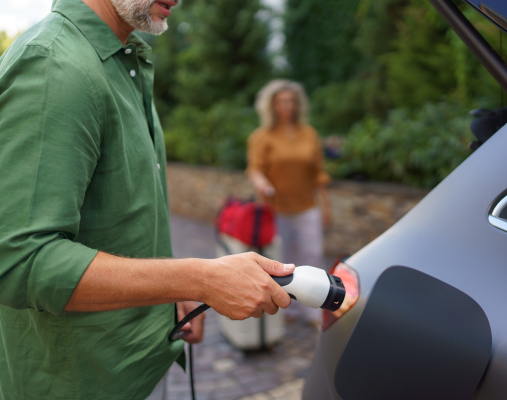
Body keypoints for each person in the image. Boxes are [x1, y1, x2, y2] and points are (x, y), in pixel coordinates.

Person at [0, 0, 294, 399]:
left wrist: (168, 289)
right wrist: (199, 278)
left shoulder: (123, 59)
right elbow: (20, 260)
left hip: (136, 366)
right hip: (80, 381)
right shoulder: (55, 64)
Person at [246, 80, 332, 322]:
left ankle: (314, 310)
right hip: (276, 209)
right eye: (282, 101)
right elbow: (254, 169)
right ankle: (289, 307)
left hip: (307, 207)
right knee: (283, 262)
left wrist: (326, 206)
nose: (287, 106)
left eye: (291, 101)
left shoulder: (309, 134)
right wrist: (262, 182)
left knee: (313, 255)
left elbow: (319, 174)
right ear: (272, 105)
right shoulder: (261, 137)